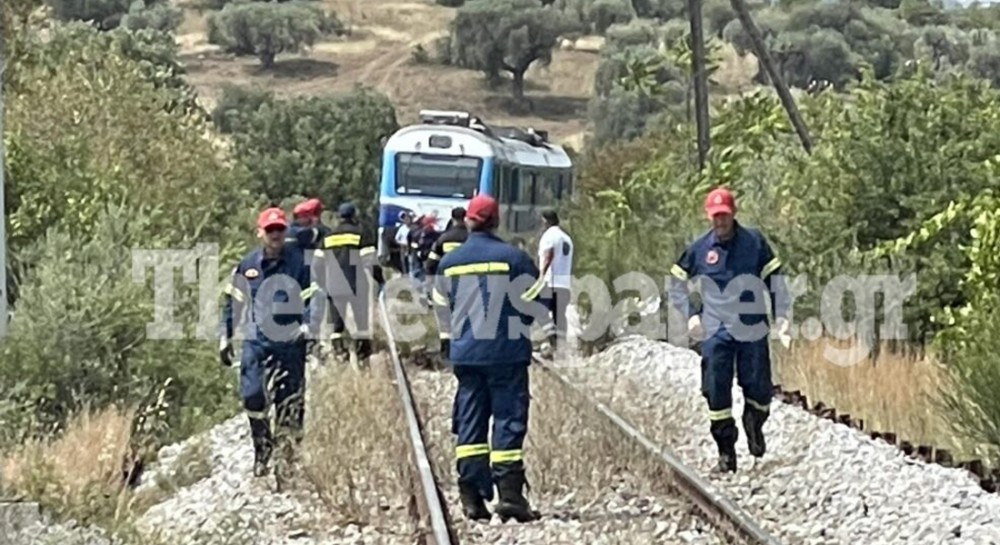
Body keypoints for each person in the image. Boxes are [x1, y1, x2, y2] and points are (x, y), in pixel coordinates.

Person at [432, 195, 544, 523]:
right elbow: (535, 301)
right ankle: (509, 495)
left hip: (466, 353)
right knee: (508, 417)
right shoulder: (514, 258)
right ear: (496, 221)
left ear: (468, 221)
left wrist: (451, 338)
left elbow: (441, 306)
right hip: (506, 352)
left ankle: (471, 495)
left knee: (470, 418)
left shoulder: (450, 262)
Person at [667, 187, 789, 473]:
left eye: (724, 215)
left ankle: (754, 423)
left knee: (759, 390)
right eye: (715, 216)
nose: (720, 221)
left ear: (734, 213)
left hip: (752, 327)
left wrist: (782, 315)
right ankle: (726, 452)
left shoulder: (754, 242)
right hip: (716, 330)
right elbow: (676, 282)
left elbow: (775, 280)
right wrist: (691, 315)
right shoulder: (700, 248)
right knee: (716, 390)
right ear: (709, 217)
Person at [219, 207, 321, 478]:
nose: (275, 234)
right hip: (257, 342)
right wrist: (225, 336)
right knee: (253, 395)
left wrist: (308, 325)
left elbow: (313, 298)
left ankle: (287, 457)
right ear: (260, 233)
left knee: (290, 401)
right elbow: (232, 303)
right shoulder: (248, 266)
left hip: (290, 342)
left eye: (279, 229)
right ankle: (262, 451)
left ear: (285, 232)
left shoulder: (300, 263)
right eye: (270, 230)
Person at [320, 202, 378, 365]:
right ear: (354, 216)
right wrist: (380, 279)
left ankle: (339, 355)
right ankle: (363, 355)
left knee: (336, 322)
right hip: (356, 282)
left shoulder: (329, 237)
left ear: (339, 217)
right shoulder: (360, 234)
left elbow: (317, 261)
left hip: (334, 283)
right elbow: (369, 260)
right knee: (361, 321)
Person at [426, 207, 469, 357]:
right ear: (465, 218)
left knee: (445, 317)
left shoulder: (443, 238)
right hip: (468, 282)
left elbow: (431, 264)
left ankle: (445, 351)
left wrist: (430, 284)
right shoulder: (470, 237)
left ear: (452, 219)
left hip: (446, 281)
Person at [537, 210, 574, 356]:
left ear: (545, 221)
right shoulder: (567, 238)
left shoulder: (549, 236)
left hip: (550, 282)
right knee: (560, 315)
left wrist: (541, 276)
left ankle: (552, 340)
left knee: (539, 310)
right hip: (564, 284)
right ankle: (560, 346)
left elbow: (548, 255)